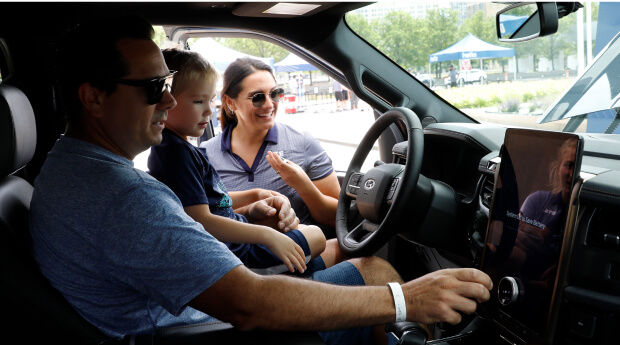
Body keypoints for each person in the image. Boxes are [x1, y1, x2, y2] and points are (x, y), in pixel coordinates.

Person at [29, 15, 492, 344]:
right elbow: (249, 303)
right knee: (376, 272)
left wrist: (247, 210)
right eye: (154, 90)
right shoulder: (122, 196)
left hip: (190, 314)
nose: (170, 104)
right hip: (206, 329)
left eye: (169, 85)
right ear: (92, 98)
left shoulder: (66, 167)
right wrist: (407, 300)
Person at [148, 48, 328, 274]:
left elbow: (206, 201)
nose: (208, 111)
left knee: (308, 232)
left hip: (235, 244)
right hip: (238, 257)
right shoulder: (176, 154)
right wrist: (268, 235)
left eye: (210, 100)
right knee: (317, 235)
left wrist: (254, 195)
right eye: (197, 101)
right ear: (166, 100)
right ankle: (267, 279)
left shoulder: (181, 148)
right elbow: (201, 219)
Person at [202, 58, 341, 239]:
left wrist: (303, 185)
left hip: (303, 257)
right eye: (258, 97)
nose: (269, 104)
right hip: (236, 260)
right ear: (230, 102)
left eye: (275, 94)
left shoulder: (301, 142)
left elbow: (337, 217)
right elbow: (204, 220)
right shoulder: (206, 154)